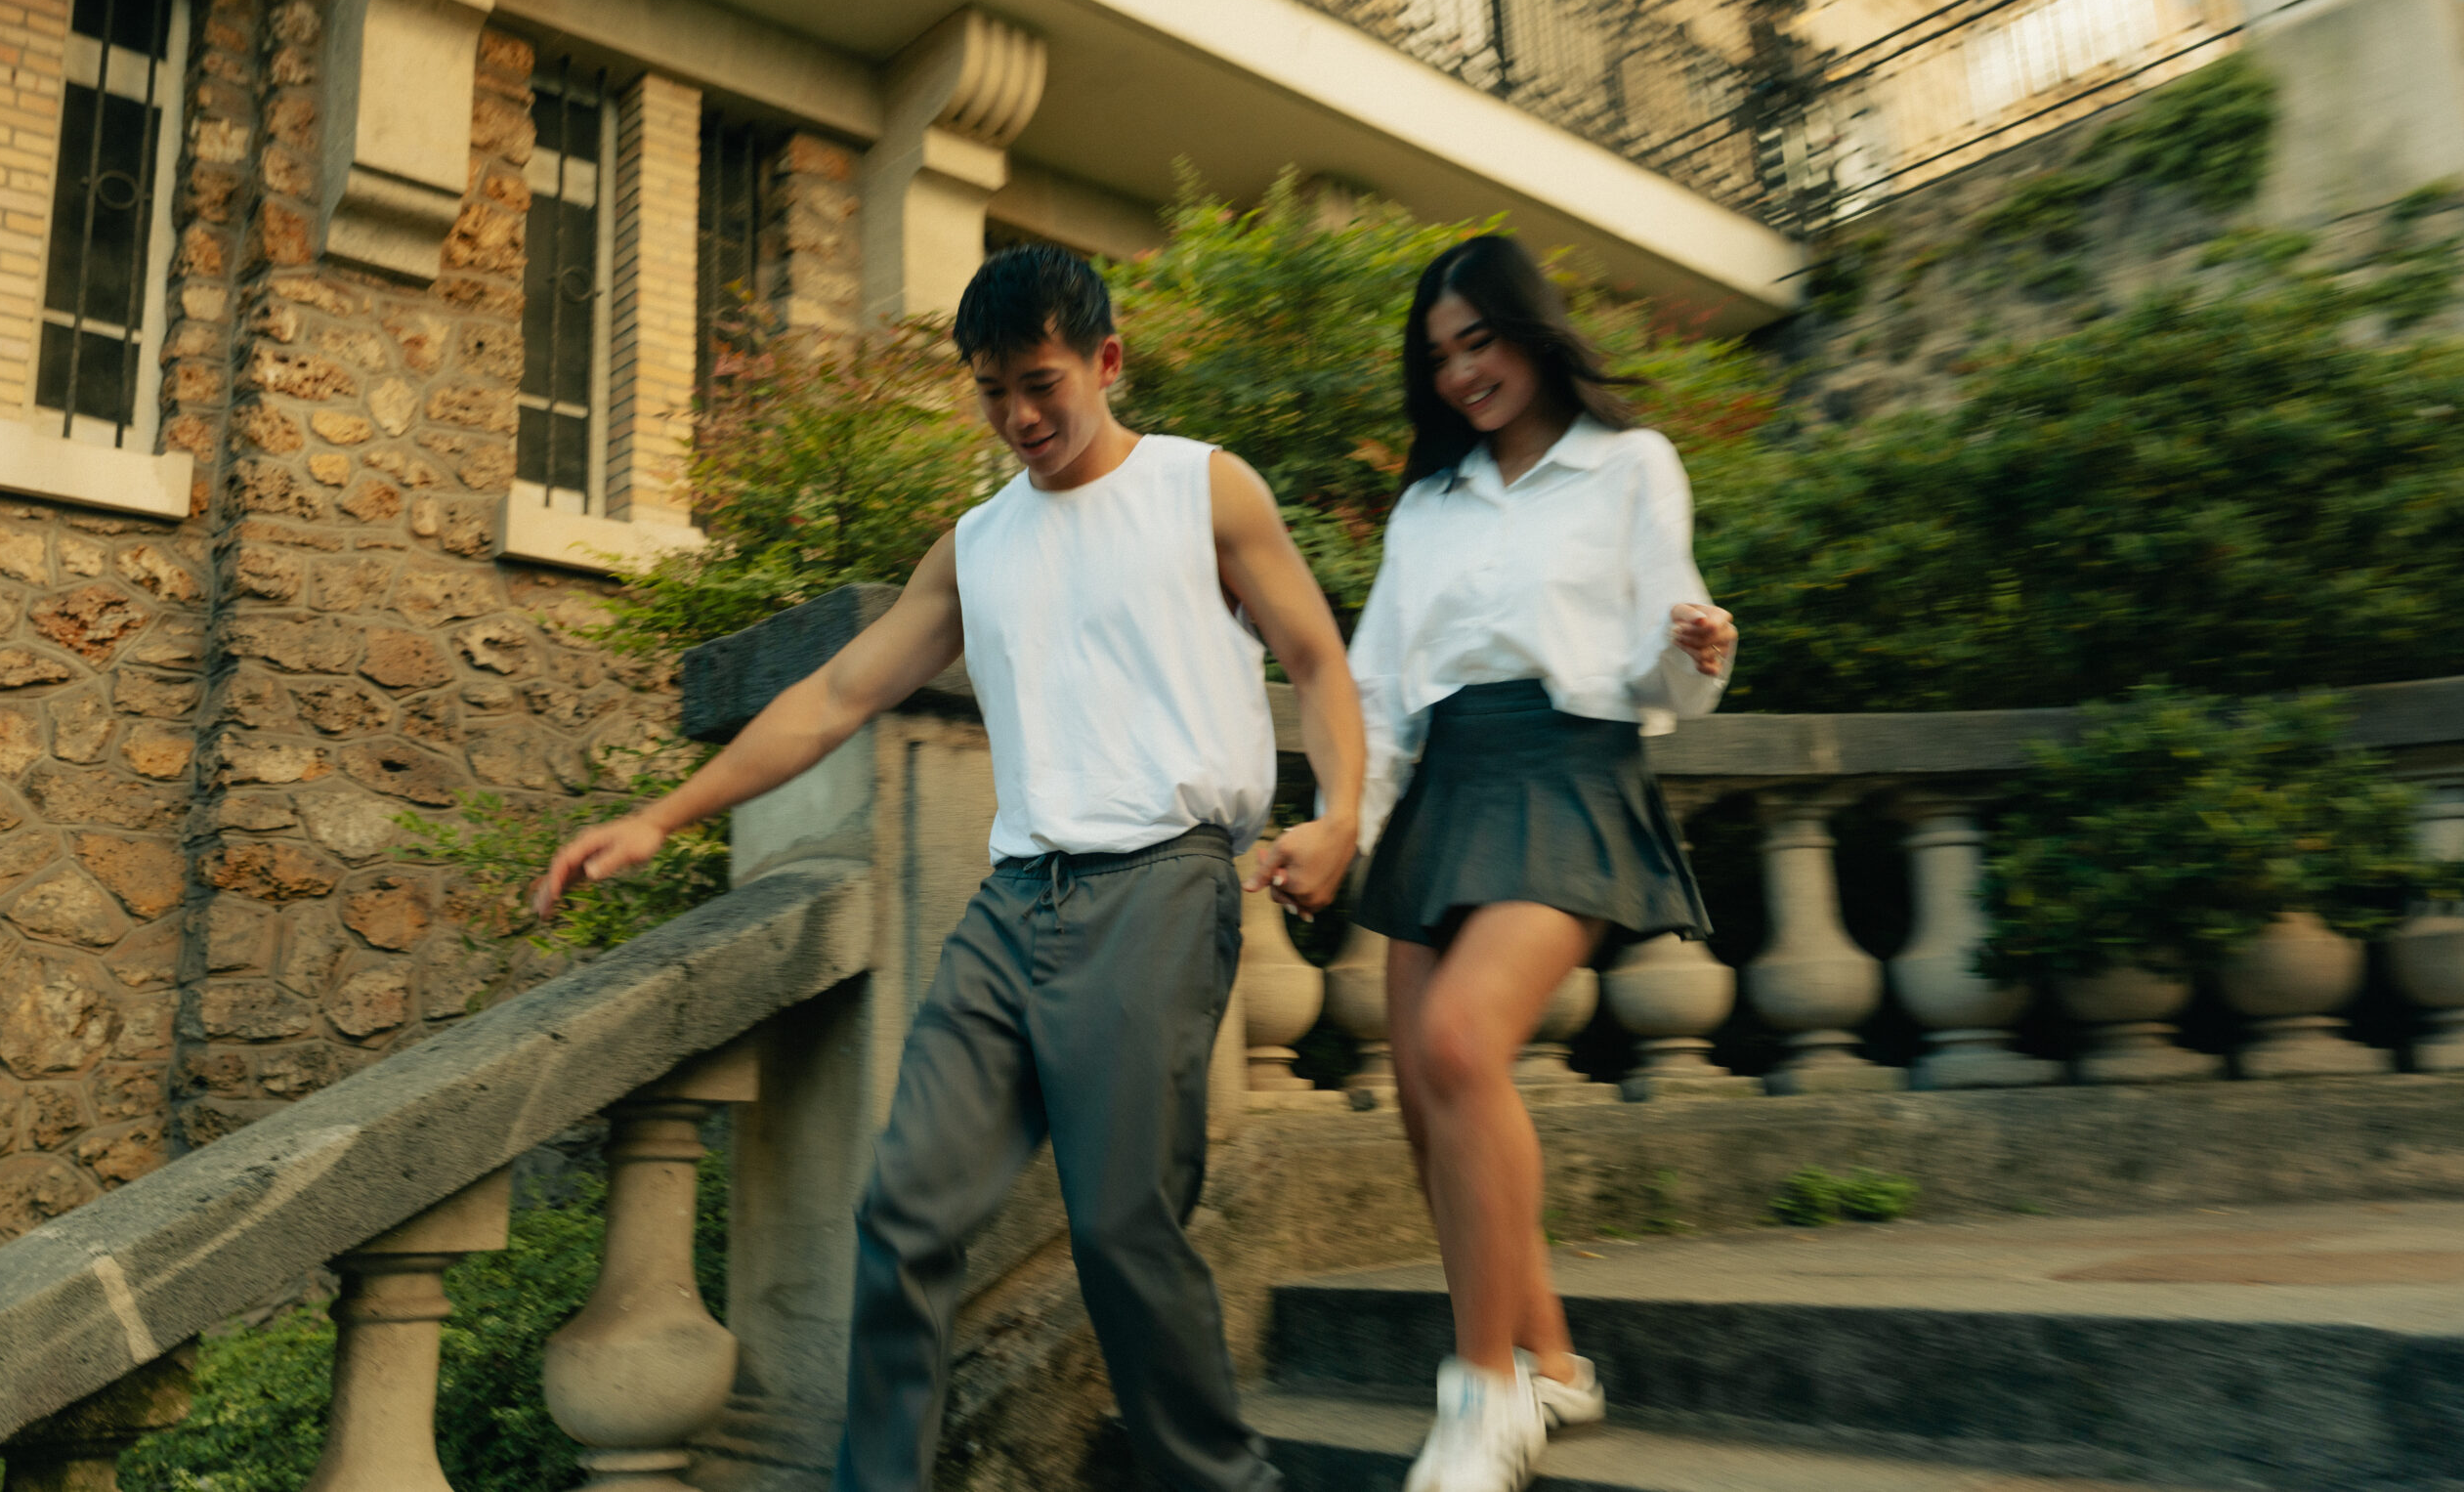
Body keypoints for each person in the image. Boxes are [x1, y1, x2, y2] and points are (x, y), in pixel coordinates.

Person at [533, 244, 1366, 1492]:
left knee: (1123, 1230)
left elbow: (1317, 660)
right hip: (1014, 906)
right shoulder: (979, 544)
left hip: (1158, 884)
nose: (1018, 416)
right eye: (991, 391)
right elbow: (835, 695)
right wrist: (665, 815)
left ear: (1106, 360)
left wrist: (1341, 816)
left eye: (1041, 383)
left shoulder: (1203, 490)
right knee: (903, 1215)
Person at [1344, 234, 1737, 1492]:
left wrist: (1696, 649)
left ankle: (1484, 1399)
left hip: (1569, 768)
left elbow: (1665, 665)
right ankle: (1554, 1363)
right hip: (1445, 787)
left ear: (1531, 332)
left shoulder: (1630, 464)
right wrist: (1347, 829)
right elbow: (1376, 689)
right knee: (1427, 1096)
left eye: (1481, 341)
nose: (1462, 373)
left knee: (1461, 1042)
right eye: (1440, 355)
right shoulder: (1427, 505)